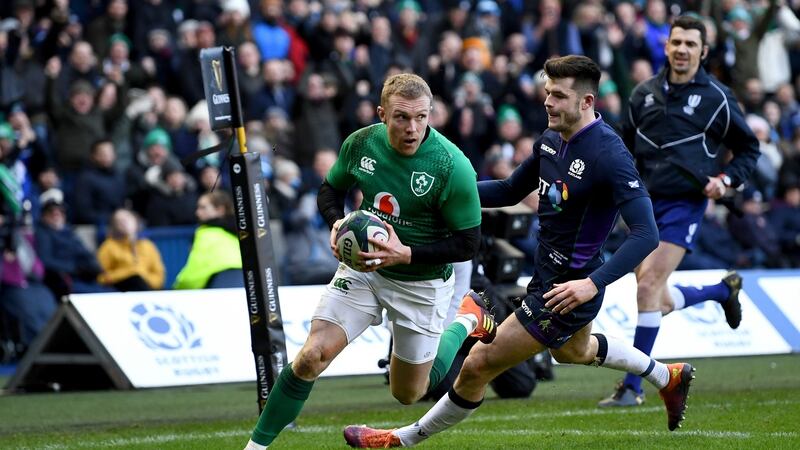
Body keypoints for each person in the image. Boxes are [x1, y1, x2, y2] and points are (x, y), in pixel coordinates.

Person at [342, 55, 693, 448]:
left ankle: (399, 440)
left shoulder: (609, 154)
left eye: (558, 95)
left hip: (568, 291)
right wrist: (442, 196)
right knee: (575, 351)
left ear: (587, 102)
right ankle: (668, 376)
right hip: (550, 277)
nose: (547, 102)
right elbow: (510, 190)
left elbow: (646, 234)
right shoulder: (550, 141)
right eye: (547, 92)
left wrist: (592, 285)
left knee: (477, 366)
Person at [244, 73, 494, 450]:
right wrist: (337, 223)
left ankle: (466, 318)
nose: (412, 128)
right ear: (382, 114)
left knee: (409, 393)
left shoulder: (451, 166)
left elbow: (468, 244)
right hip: (363, 271)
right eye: (401, 117)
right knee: (311, 356)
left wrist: (405, 253)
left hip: (421, 281)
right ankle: (255, 447)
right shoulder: (361, 143)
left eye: (421, 117)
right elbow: (331, 190)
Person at [599, 15, 760, 407]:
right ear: (666, 47)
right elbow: (624, 148)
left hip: (684, 204)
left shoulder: (717, 97)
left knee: (648, 285)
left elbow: (749, 149)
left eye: (690, 44)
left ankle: (634, 387)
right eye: (676, 43)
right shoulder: (643, 94)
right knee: (656, 296)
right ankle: (722, 290)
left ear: (703, 52)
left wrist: (725, 181)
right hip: (642, 203)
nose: (682, 50)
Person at [173, 191, 242, 290]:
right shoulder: (240, 232)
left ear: (220, 210)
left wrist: (178, 287)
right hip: (245, 281)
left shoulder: (205, 233)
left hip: (219, 282)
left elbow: (195, 269)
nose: (197, 212)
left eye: (203, 208)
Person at [96, 208, 165, 291]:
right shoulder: (108, 246)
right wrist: (130, 272)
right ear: (114, 226)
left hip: (147, 289)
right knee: (135, 280)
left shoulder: (148, 245)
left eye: (128, 217)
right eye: (119, 220)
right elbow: (100, 277)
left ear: (136, 220)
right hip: (120, 290)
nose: (124, 222)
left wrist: (142, 276)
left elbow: (159, 276)